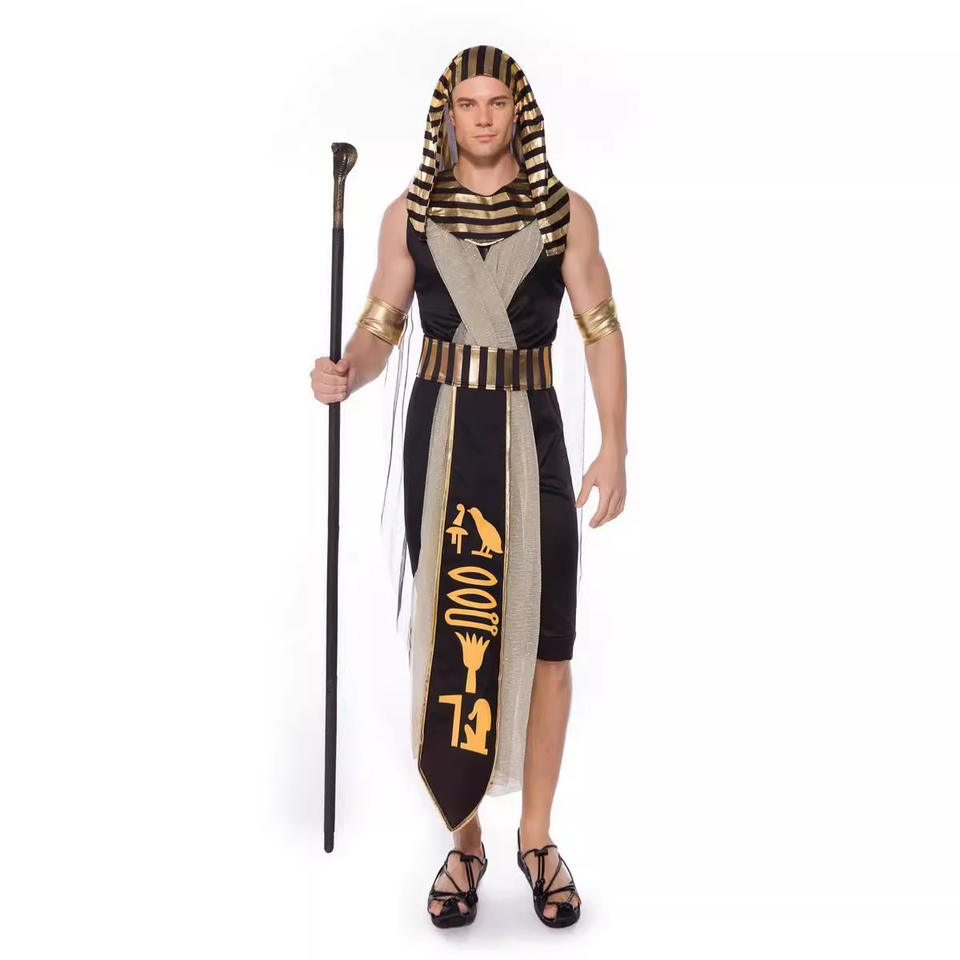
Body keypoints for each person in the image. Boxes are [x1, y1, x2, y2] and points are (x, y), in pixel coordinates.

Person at [310, 45, 627, 929]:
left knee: (550, 640)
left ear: (518, 111)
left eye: (496, 102)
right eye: (467, 104)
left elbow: (601, 329)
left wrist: (615, 446)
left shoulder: (564, 214)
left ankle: (537, 838)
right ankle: (465, 839)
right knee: (454, 629)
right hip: (445, 436)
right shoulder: (409, 213)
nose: (482, 118)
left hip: (535, 434)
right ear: (446, 116)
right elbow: (381, 326)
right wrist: (349, 370)